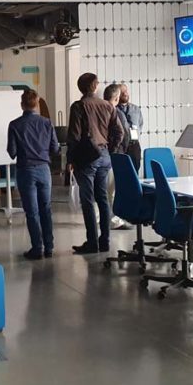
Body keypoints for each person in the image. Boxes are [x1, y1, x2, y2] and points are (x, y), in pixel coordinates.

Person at [67, 72, 123, 255]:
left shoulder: (78, 106)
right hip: (104, 156)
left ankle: (92, 242)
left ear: (80, 87)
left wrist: (70, 159)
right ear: (96, 86)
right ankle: (105, 241)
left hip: (86, 158)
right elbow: (119, 132)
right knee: (103, 199)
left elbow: (74, 136)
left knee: (88, 200)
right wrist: (109, 149)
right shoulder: (107, 105)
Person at [8, 89, 59, 260]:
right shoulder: (47, 123)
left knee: (32, 212)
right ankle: (49, 247)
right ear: (37, 104)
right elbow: (55, 148)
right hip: (44, 170)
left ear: (22, 104)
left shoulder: (15, 125)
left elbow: (12, 152)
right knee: (46, 209)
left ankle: (37, 248)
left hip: (25, 170)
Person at [104, 83, 131, 231]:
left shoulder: (98, 110)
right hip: (114, 156)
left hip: (100, 155)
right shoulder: (116, 113)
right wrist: (116, 151)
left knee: (102, 190)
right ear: (116, 97)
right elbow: (124, 134)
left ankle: (101, 218)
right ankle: (115, 220)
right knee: (113, 191)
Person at [118, 84, 144, 171]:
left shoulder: (136, 109)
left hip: (134, 146)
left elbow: (140, 124)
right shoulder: (113, 109)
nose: (125, 93)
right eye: (122, 92)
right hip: (120, 147)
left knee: (135, 171)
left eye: (126, 91)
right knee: (121, 172)